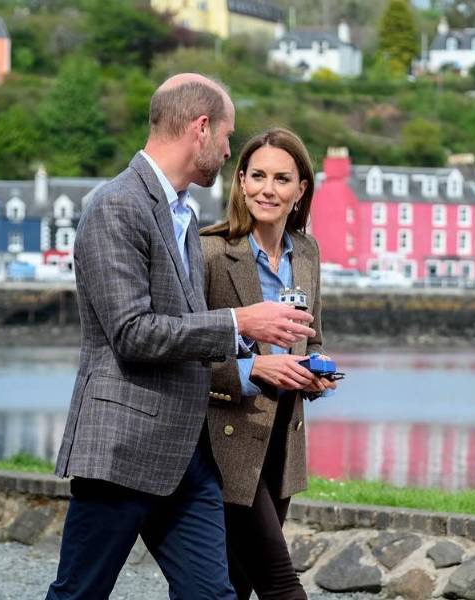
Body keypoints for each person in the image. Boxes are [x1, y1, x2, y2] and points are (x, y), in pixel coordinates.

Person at [46, 75, 316, 600]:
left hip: (189, 454)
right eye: (227, 136)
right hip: (122, 449)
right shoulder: (116, 206)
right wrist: (241, 324)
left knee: (214, 597)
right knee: (79, 593)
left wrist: (266, 353)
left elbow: (186, 330)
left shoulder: (183, 214)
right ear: (200, 128)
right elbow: (132, 333)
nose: (228, 149)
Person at [200, 127, 338, 600]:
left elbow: (310, 336)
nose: (267, 189)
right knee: (281, 584)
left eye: (282, 179)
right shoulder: (210, 252)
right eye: (257, 175)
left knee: (236, 585)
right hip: (224, 445)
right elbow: (183, 356)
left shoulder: (308, 254)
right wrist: (254, 371)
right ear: (240, 181)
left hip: (283, 441)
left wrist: (315, 374)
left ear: (301, 190)